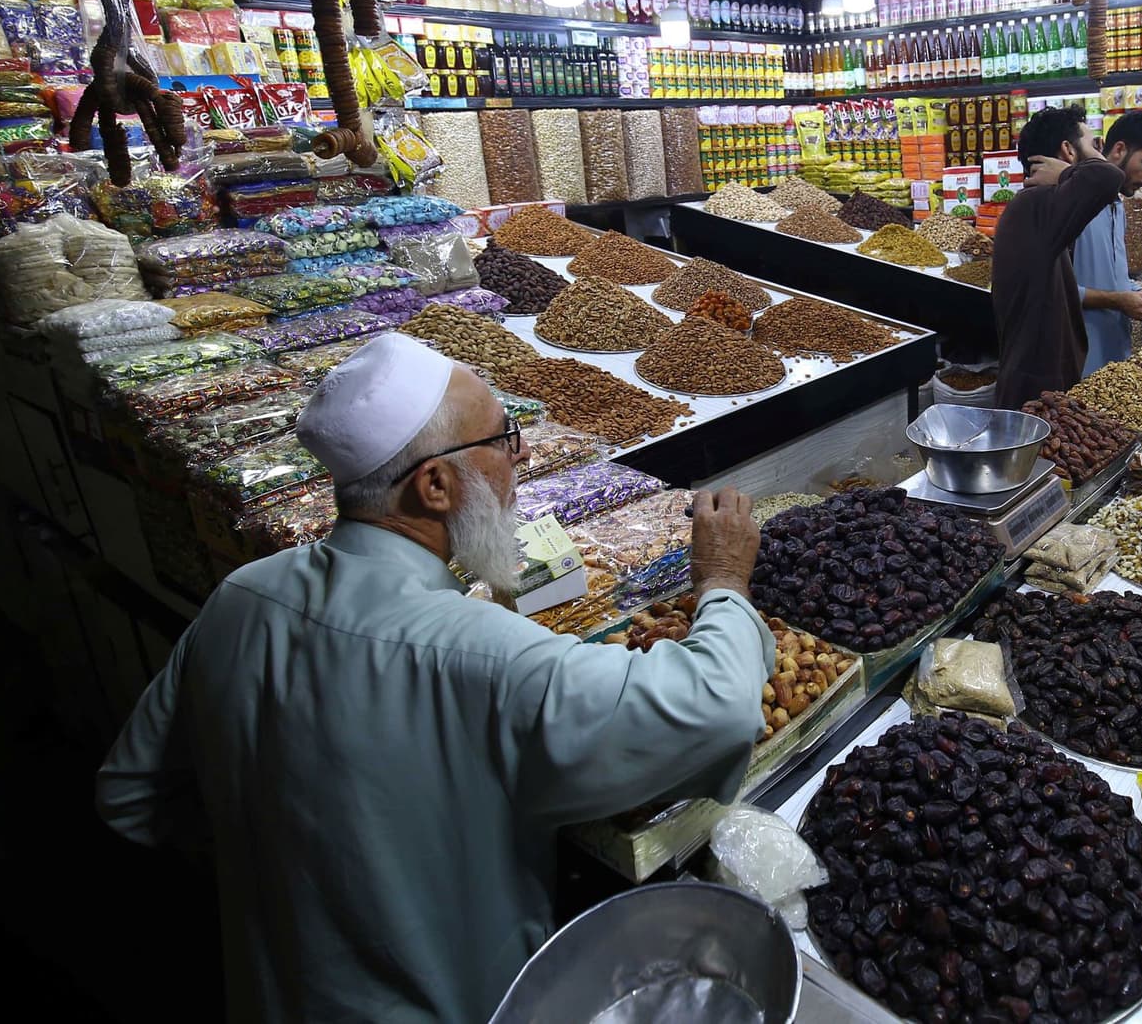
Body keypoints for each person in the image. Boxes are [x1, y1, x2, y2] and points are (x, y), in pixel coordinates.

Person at [96, 335, 774, 1023]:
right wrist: (722, 579)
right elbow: (716, 704)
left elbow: (129, 795)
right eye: (504, 438)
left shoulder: (241, 596)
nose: (524, 455)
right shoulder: (481, 653)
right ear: (436, 486)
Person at [991, 106, 1134, 408]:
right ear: (1068, 150)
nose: (1100, 153)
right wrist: (1069, 172)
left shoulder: (1039, 203)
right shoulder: (1035, 203)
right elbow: (1109, 177)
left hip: (1040, 381)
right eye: (1093, 145)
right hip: (1035, 390)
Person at [1070, 110, 1142, 374]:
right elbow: (1052, 290)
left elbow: (1104, 271)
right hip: (1079, 360)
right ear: (1119, 150)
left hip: (1114, 356)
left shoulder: (1117, 204)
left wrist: (1134, 292)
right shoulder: (1073, 205)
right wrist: (1119, 300)